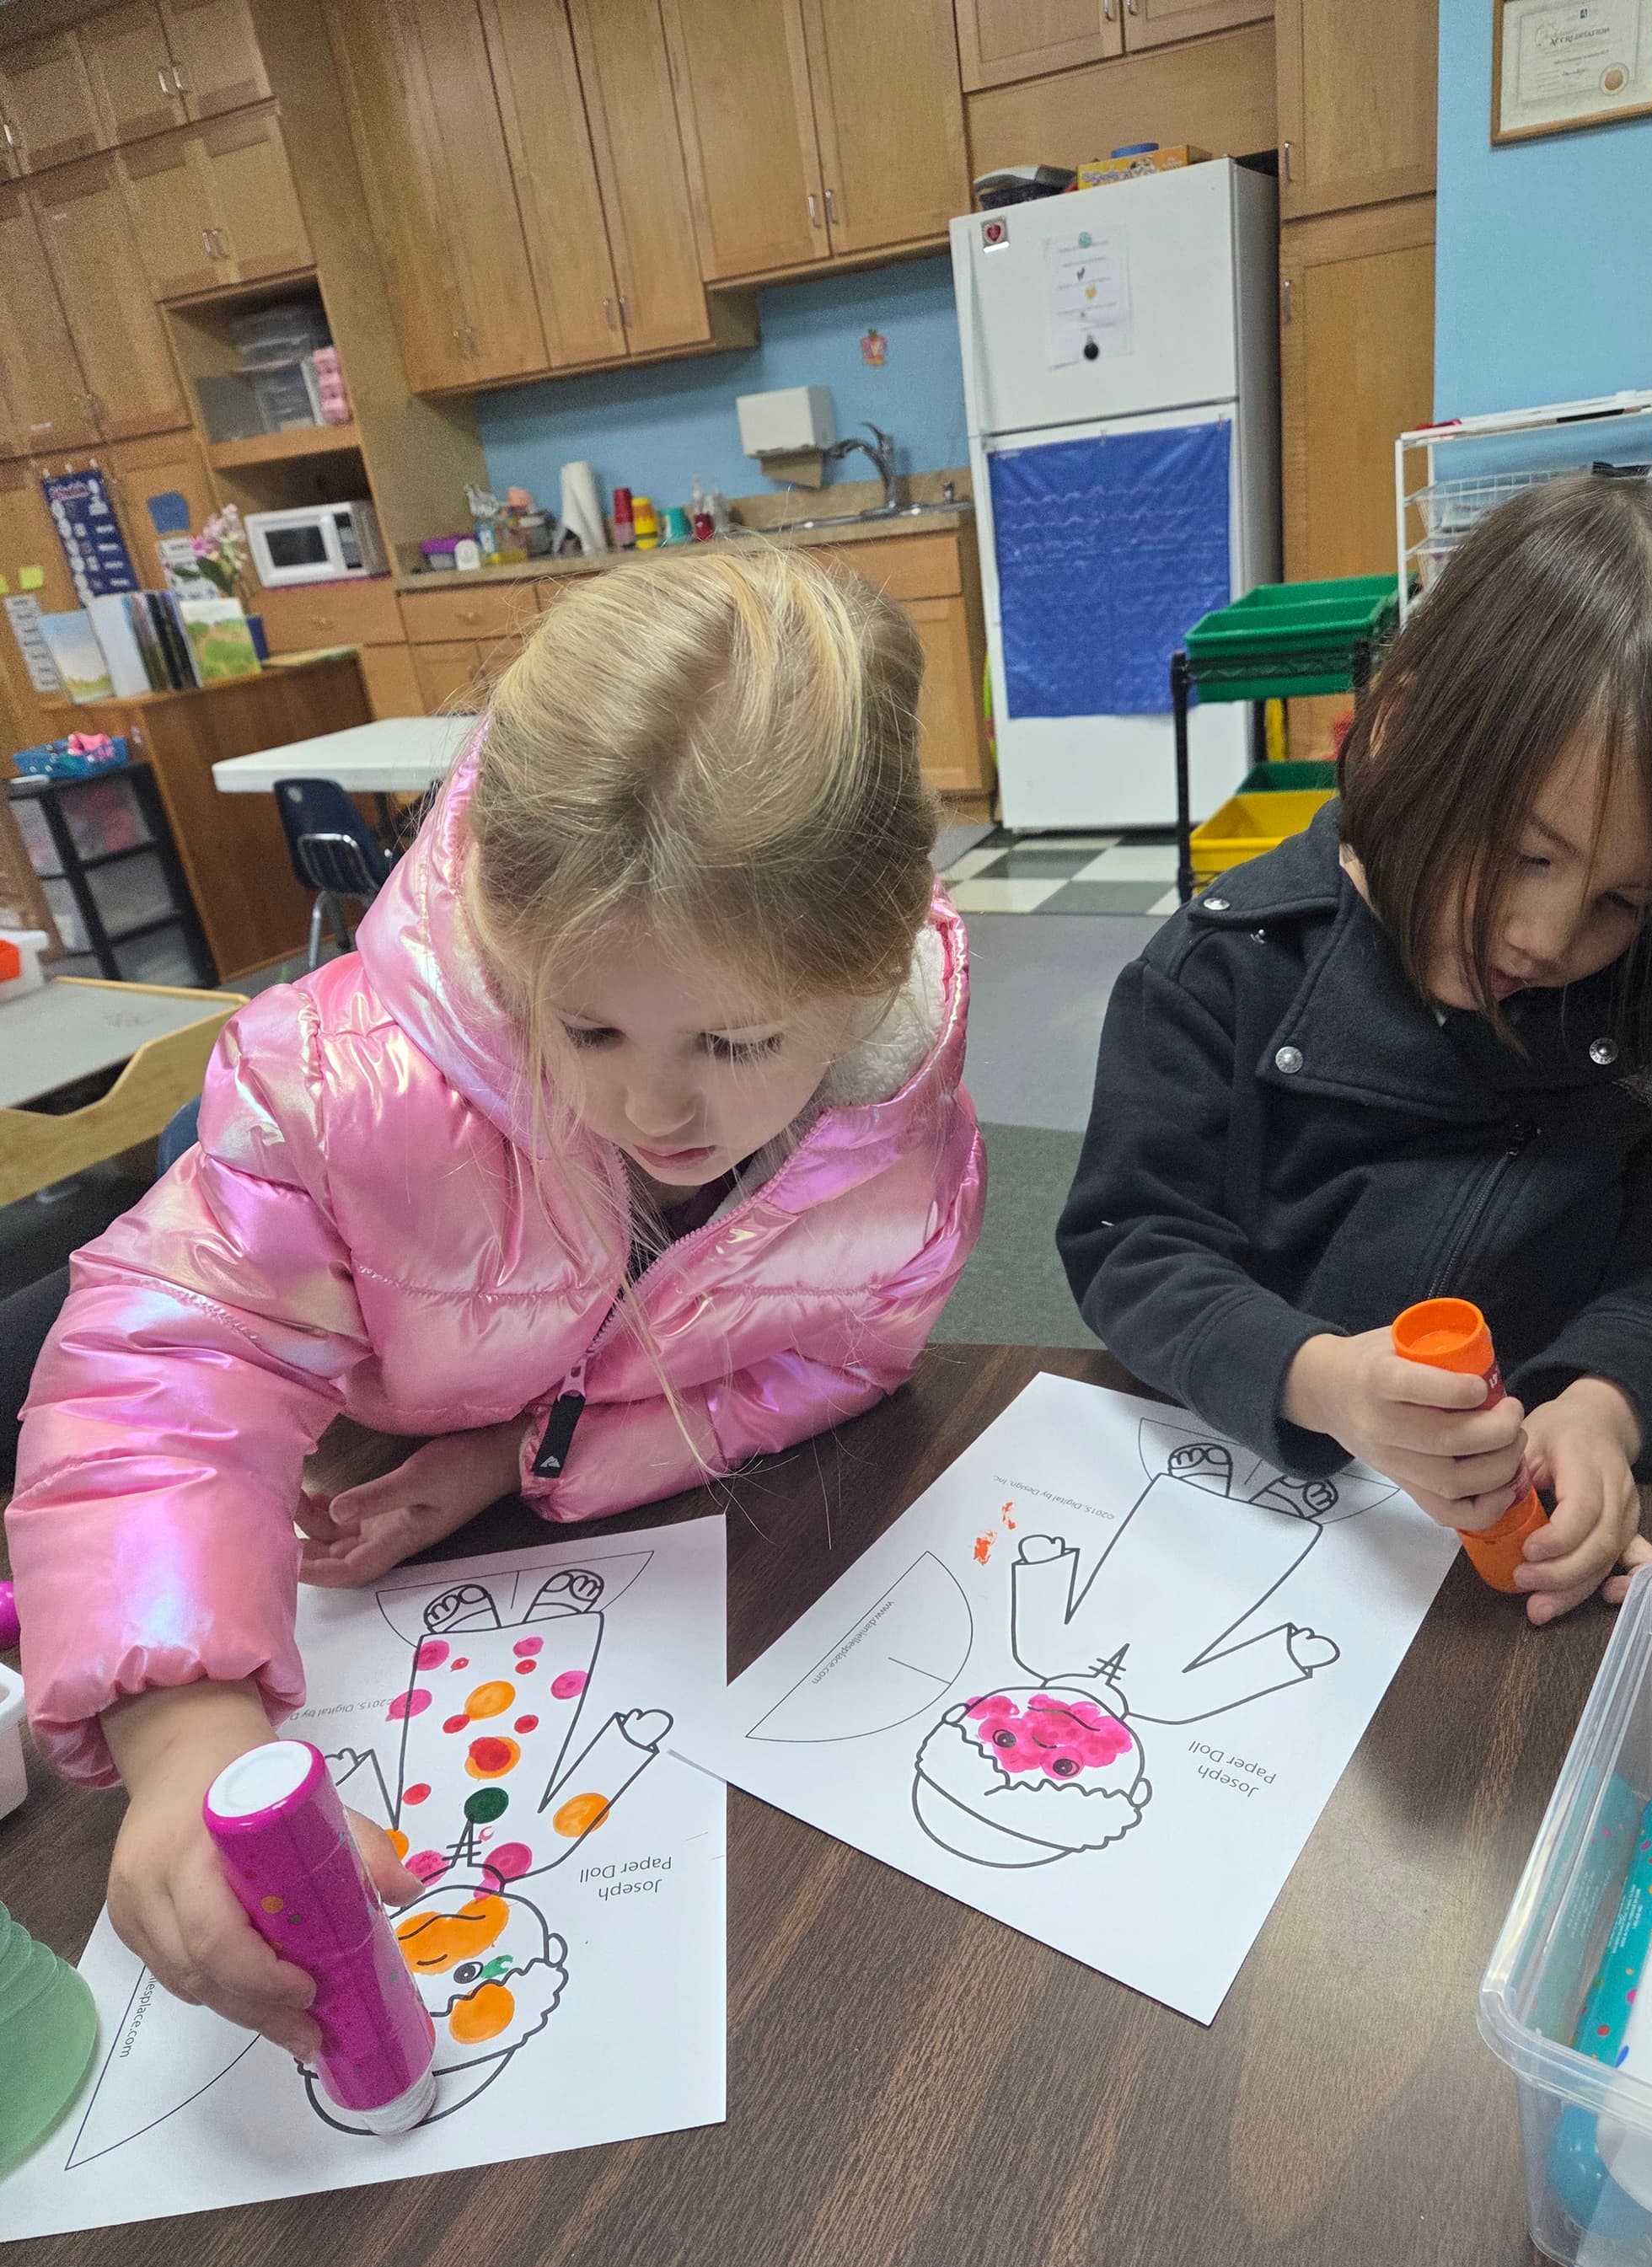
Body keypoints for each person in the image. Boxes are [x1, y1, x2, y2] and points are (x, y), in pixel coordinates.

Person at [8, 539, 984, 2051]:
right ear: (504, 934)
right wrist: (187, 1720)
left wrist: (522, 1459)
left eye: (737, 1046)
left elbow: (851, 1348)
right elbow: (167, 1368)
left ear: (869, 978)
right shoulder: (337, 1088)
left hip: (525, 1506)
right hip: (344, 1485)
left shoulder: (888, 1123)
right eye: (584, 1027)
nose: (659, 1111)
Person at [1060, 474, 1652, 1628]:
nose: (1547, 938)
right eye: (1523, 854)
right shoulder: (1223, 972)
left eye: (1624, 900)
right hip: (1262, 1524)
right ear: (1400, 727)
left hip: (1503, 1568)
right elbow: (1132, 1244)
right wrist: (1320, 1379)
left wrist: (1604, 1401)